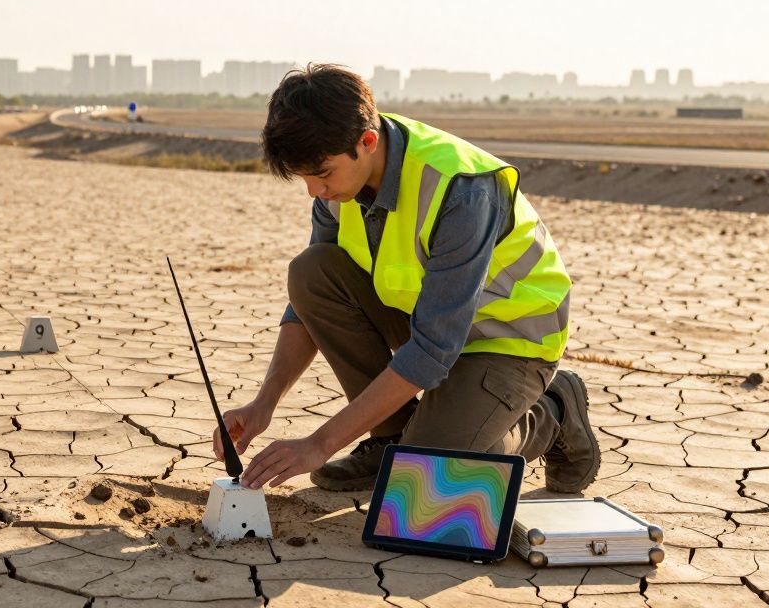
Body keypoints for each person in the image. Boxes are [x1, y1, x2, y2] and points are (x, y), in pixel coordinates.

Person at [213, 64, 600, 494]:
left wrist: (320, 443)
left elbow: (432, 349)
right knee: (311, 273)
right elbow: (309, 303)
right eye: (304, 178)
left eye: (321, 174)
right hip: (427, 320)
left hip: (509, 338)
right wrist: (264, 403)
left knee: (428, 480)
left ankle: (553, 411)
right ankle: (391, 438)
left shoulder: (461, 189)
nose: (314, 192)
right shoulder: (338, 185)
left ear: (367, 141)